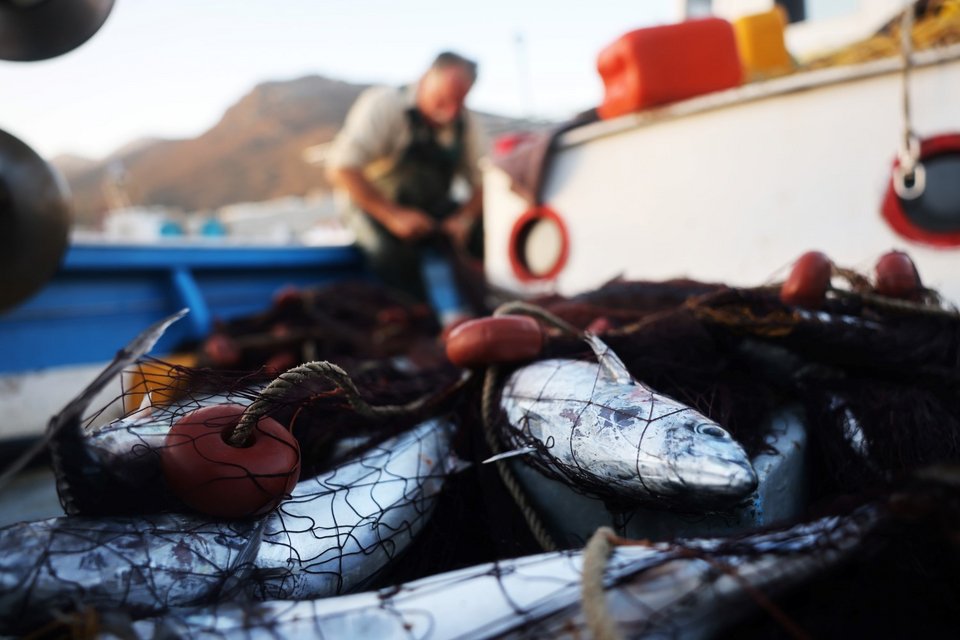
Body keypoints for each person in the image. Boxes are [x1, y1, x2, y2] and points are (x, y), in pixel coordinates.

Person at [326, 52, 486, 322]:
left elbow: (485, 182)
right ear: (424, 80)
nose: (449, 113)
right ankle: (416, 321)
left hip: (432, 211)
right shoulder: (384, 105)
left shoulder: (466, 123)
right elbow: (340, 168)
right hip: (374, 207)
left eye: (458, 103)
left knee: (485, 231)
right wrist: (392, 216)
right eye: (441, 100)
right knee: (388, 253)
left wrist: (465, 218)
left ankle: (484, 310)